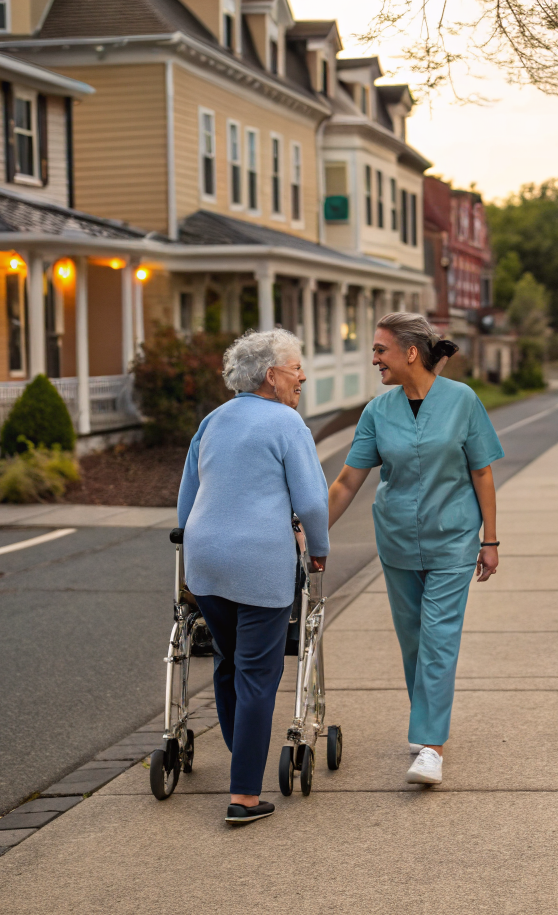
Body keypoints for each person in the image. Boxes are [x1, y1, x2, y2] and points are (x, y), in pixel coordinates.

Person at [327, 312, 503, 786]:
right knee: (414, 642)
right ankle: (427, 722)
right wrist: (311, 532)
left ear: (410, 353)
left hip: (454, 539)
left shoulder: (462, 400)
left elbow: (482, 471)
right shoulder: (377, 412)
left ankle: (431, 746)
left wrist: (490, 538)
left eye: (380, 350)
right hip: (398, 540)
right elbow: (347, 482)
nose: (373, 359)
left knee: (439, 640)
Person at [177, 328, 329, 824]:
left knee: (227, 662)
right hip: (259, 561)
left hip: (205, 561)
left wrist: (187, 540)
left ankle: (241, 745)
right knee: (259, 676)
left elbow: (188, 493)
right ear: (271, 376)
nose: (302, 375)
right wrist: (320, 549)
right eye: (295, 368)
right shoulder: (288, 423)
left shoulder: (213, 421)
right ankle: (244, 795)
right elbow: (309, 500)